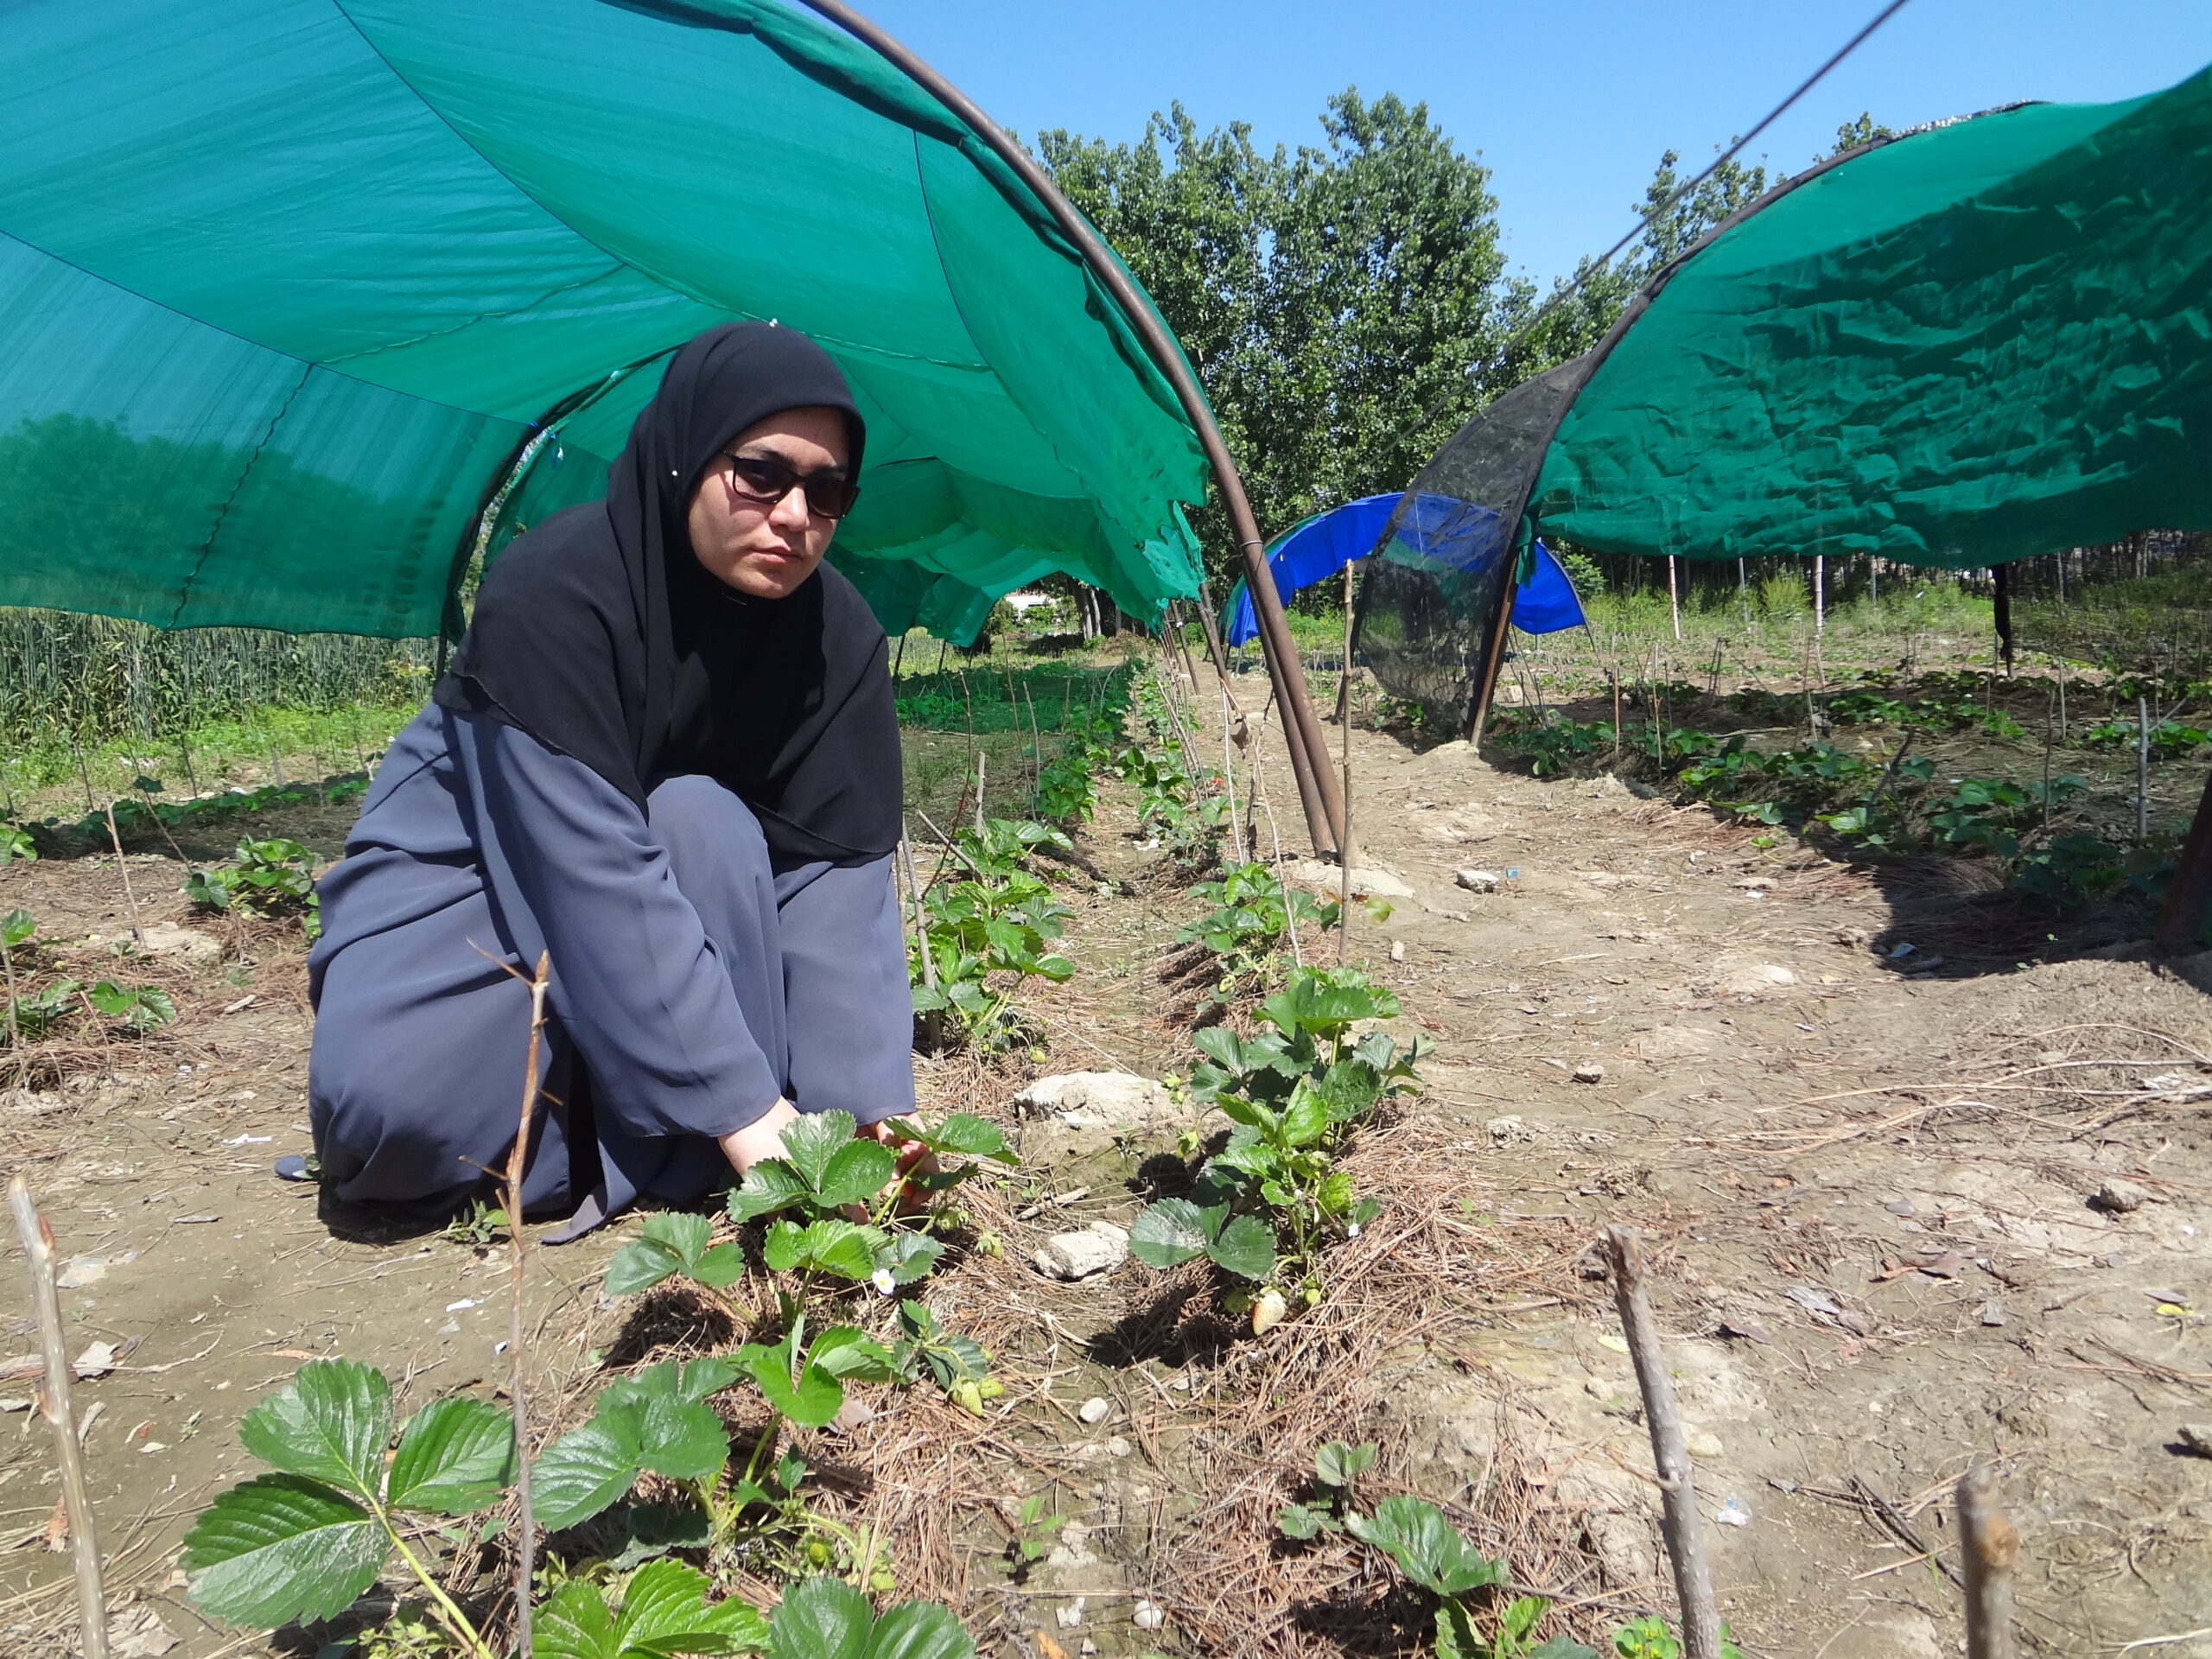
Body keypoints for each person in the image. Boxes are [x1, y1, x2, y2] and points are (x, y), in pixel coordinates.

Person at [305, 321, 917, 1239]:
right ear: (685, 454)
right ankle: (661, 1113)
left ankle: (681, 1126)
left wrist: (859, 1112)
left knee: (698, 816)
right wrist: (750, 1114)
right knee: (394, 1122)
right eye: (761, 474)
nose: (794, 513)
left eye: (827, 490)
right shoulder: (559, 588)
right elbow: (588, 868)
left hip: (686, 873)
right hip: (485, 857)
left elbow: (836, 877)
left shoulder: (836, 639)